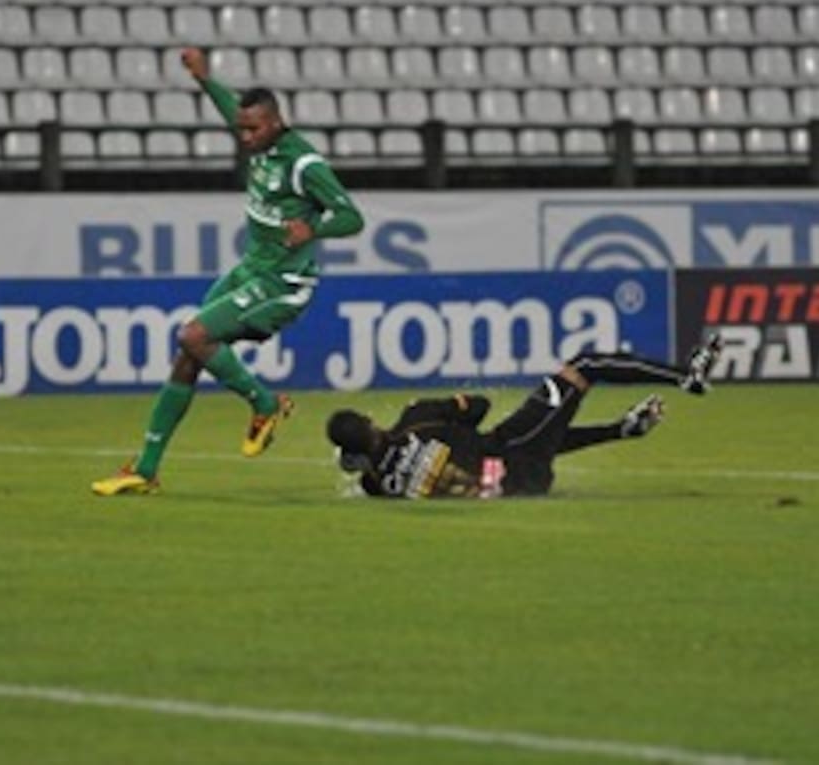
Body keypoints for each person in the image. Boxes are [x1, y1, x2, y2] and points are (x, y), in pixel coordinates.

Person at [92, 47, 366, 496]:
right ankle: (145, 469)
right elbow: (231, 109)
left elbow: (353, 217)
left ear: (276, 123)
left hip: (283, 283)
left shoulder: (303, 164)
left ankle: (264, 403)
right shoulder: (258, 140)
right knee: (190, 353)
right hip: (250, 270)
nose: (244, 137)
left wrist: (312, 227)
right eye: (241, 129)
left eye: (253, 129)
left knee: (193, 336)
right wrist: (203, 79)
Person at [326, 336, 724, 500]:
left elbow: (365, 476)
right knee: (583, 366)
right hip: (512, 458)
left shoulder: (379, 486)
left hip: (515, 482)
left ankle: (622, 429)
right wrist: (454, 421)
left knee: (535, 435)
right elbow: (478, 405)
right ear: (370, 423)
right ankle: (686, 377)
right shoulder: (416, 420)